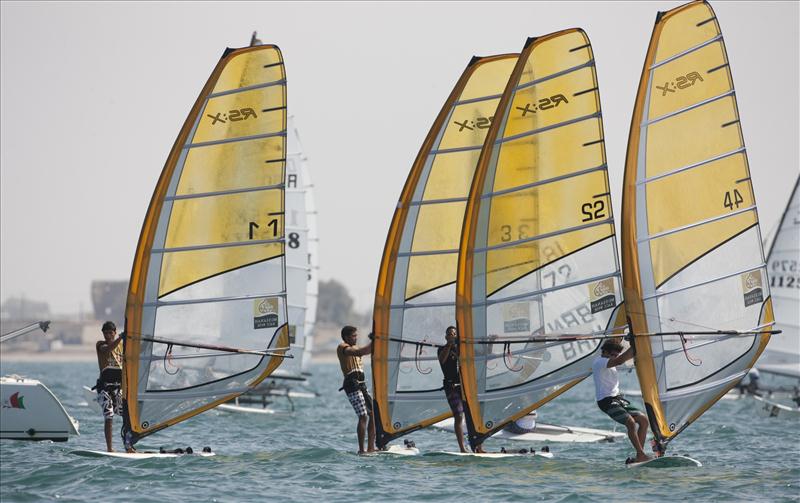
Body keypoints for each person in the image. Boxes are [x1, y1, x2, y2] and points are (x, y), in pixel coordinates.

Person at [592, 339, 651, 463]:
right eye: (612, 355)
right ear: (604, 352)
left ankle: (639, 455)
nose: (614, 357)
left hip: (617, 399)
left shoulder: (610, 362)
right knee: (630, 423)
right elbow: (620, 360)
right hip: (605, 401)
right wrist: (636, 343)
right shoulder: (599, 361)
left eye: (616, 355)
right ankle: (641, 454)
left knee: (644, 420)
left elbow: (624, 359)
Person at [437, 326, 484, 453]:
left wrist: (489, 343)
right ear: (446, 337)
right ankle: (462, 448)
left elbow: (482, 356)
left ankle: (478, 446)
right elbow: (442, 360)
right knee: (458, 416)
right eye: (449, 334)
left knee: (474, 414)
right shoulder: (442, 349)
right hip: (451, 387)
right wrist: (450, 345)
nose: (452, 335)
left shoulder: (462, 349)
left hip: (465, 387)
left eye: (454, 334)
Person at [94, 321, 132, 452]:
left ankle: (128, 446)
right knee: (109, 415)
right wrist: (121, 337)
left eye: (111, 333)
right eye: (105, 333)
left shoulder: (122, 345)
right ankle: (110, 449)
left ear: (115, 332)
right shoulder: (101, 345)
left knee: (127, 416)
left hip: (118, 389)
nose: (108, 335)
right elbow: (108, 349)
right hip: (104, 388)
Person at [337, 325, 376, 454]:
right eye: (353, 336)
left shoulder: (356, 348)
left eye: (356, 335)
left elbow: (368, 350)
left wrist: (377, 341)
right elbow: (360, 352)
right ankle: (361, 450)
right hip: (352, 385)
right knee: (363, 416)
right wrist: (374, 340)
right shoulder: (343, 348)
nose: (356, 338)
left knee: (373, 415)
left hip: (362, 384)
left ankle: (371, 448)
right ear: (346, 337)